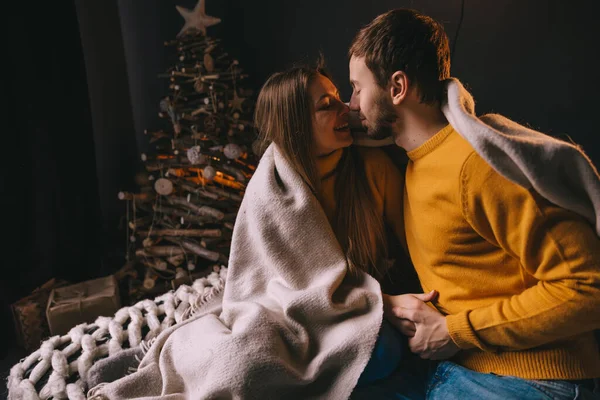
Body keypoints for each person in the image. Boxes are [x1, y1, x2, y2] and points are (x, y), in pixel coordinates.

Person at [347, 8, 600, 399]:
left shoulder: (476, 166)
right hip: (460, 366)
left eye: (357, 89)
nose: (351, 104)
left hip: (531, 380)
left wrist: (455, 331)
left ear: (397, 88)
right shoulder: (417, 159)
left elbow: (588, 287)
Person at [254, 63, 417, 386]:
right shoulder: (272, 187)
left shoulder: (373, 168)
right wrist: (386, 303)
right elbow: (279, 287)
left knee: (382, 351)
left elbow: (413, 248)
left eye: (339, 98)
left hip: (361, 307)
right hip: (301, 315)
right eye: (327, 106)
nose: (348, 108)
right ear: (295, 124)